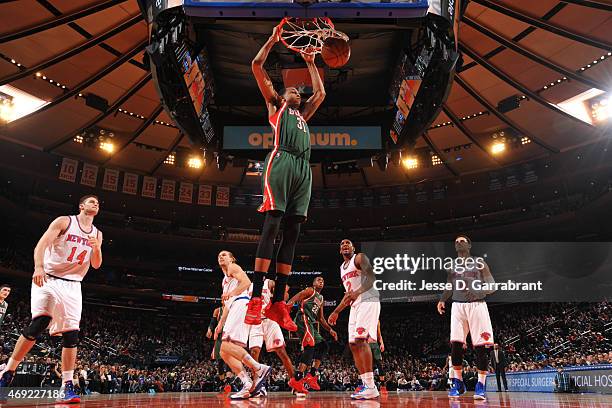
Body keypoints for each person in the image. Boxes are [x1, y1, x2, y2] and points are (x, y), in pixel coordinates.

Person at [246, 25, 326, 331]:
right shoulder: (275, 106)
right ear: (281, 95)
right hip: (281, 162)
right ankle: (256, 299)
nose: (296, 91)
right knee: (273, 225)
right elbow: (256, 65)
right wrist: (272, 39)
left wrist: (310, 61)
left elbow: (320, 92)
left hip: (303, 169)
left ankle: (278, 302)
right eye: (291, 89)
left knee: (292, 232)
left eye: (297, 90)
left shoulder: (303, 115)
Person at [0, 195, 103, 403]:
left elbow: (96, 264)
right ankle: (9, 371)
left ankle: (66, 385)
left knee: (71, 335)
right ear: (82, 206)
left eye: (98, 203)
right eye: (92, 202)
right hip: (48, 277)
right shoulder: (64, 221)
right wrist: (38, 267)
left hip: (73, 284)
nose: (96, 204)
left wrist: (97, 248)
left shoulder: (97, 234)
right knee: (39, 323)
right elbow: (41, 245)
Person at [437, 235, 495, 400]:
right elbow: (450, 285)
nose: (458, 243)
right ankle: (458, 382)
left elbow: (492, 285)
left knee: (480, 346)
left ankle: (481, 385)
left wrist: (480, 291)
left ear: (469, 245)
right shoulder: (451, 265)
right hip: (457, 305)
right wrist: (442, 299)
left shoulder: (479, 262)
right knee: (455, 345)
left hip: (477, 305)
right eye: (455, 241)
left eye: (462, 241)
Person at [214, 251, 271, 399]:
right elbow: (226, 305)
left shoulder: (233, 267)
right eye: (219, 255)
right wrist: (219, 324)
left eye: (225, 255)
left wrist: (232, 293)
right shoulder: (225, 279)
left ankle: (259, 368)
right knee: (223, 352)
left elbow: (246, 282)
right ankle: (246, 384)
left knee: (225, 346)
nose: (221, 256)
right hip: (233, 307)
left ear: (232, 259)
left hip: (240, 304)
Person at [328, 239, 380, 400]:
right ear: (339, 250)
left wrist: (358, 292)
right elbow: (348, 295)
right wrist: (336, 312)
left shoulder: (359, 258)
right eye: (342, 244)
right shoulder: (341, 269)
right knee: (352, 344)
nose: (344, 244)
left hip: (368, 298)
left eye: (348, 243)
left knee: (360, 340)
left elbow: (371, 278)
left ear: (353, 248)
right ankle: (366, 384)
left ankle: (371, 386)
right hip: (356, 305)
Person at [248, 280, 306, 396]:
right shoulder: (248, 286)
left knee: (282, 352)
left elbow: (286, 289)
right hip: (256, 322)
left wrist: (278, 297)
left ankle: (295, 385)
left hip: (270, 321)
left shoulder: (268, 282)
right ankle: (258, 386)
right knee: (254, 353)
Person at [288, 276, 338, 395]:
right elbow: (298, 296)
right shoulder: (310, 291)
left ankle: (311, 375)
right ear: (314, 283)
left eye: (323, 280)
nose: (321, 281)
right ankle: (297, 380)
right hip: (302, 318)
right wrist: (288, 305)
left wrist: (330, 330)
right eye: (319, 280)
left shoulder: (321, 298)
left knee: (323, 346)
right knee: (310, 347)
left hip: (310, 323)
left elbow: (320, 318)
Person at [206, 306, 227, 392]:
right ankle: (223, 383)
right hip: (220, 336)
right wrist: (210, 329)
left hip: (230, 335)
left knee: (230, 359)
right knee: (220, 361)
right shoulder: (218, 310)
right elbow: (213, 322)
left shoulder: (233, 308)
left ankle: (228, 381)